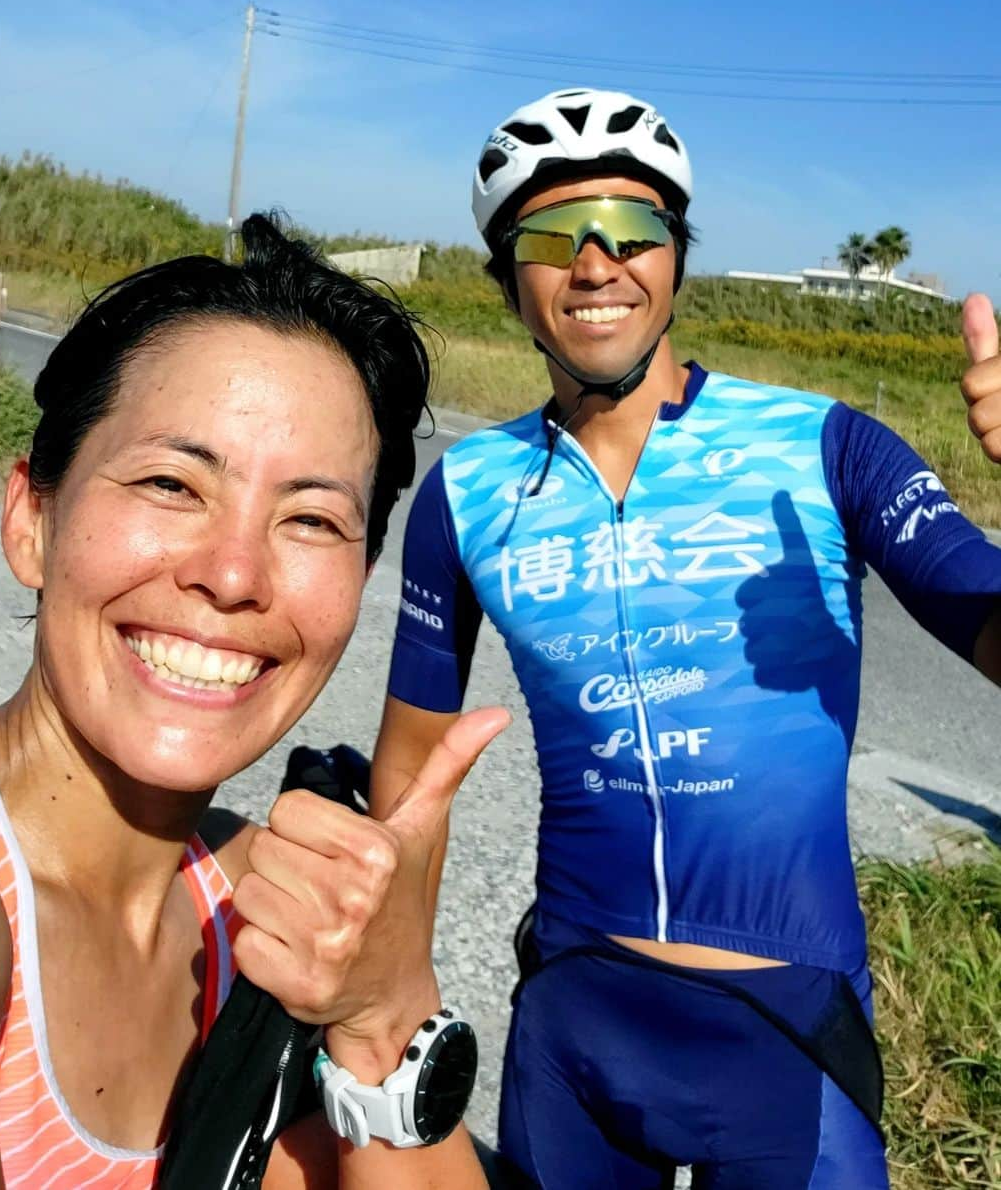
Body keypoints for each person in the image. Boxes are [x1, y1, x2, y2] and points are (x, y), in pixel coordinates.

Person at [370, 87, 1001, 1189]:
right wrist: (386, 1013)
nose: (597, 263)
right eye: (554, 236)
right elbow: (409, 780)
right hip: (576, 1022)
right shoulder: (466, 493)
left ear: (677, 257)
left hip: (788, 1023)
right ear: (506, 276)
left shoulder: (826, 446)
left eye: (635, 229)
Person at [0, 214, 508, 1190]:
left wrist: (385, 1013)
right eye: (171, 482)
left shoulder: (273, 917)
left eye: (311, 519)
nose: (235, 574)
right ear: (31, 517)